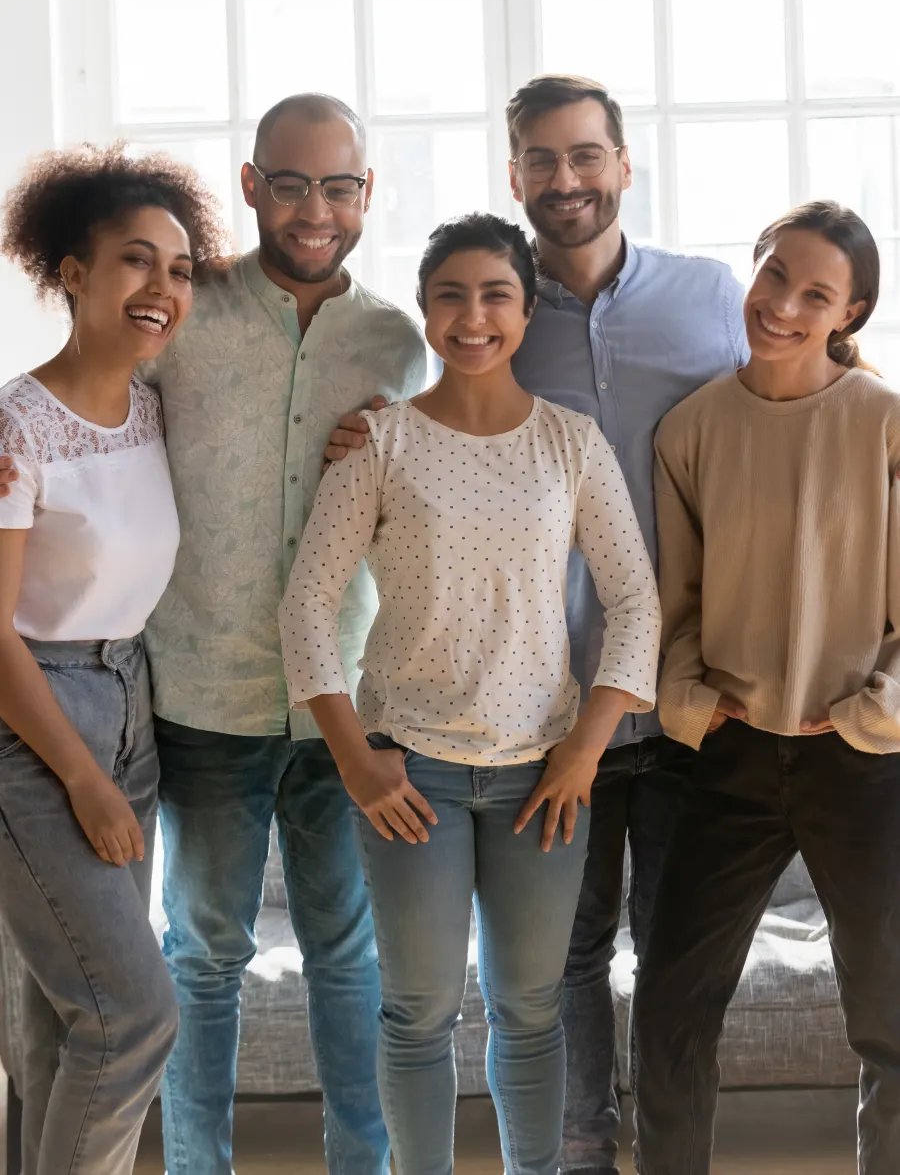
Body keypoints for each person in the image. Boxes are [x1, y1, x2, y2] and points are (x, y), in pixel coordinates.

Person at [324, 74, 748, 1174]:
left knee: (667, 962)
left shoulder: (708, 296)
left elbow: (792, 386)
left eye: (586, 156)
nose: (567, 179)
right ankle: (574, 1158)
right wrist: (362, 432)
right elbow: (429, 446)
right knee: (553, 970)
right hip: (517, 716)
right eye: (542, 161)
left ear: (622, 163)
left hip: (684, 689)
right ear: (514, 175)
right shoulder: (493, 317)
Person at [0, 94, 427, 1175]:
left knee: (345, 955)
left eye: (338, 185)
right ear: (252, 186)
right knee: (196, 962)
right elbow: (66, 402)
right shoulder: (180, 323)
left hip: (338, 698)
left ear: (366, 194)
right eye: (289, 183)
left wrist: (392, 440)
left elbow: (443, 489)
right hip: (195, 697)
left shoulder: (400, 343)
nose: (314, 208)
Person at [280, 211, 661, 1175]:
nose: (473, 315)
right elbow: (305, 609)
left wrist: (584, 750)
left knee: (530, 1009)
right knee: (418, 1011)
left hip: (546, 773)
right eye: (450, 294)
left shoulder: (572, 445)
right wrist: (355, 762)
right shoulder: (378, 441)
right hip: (411, 775)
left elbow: (637, 605)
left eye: (495, 294)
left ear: (526, 312)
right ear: (425, 310)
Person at [632, 201, 900, 1175]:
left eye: (814, 292)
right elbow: (678, 603)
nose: (782, 303)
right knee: (667, 1012)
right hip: (732, 757)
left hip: (864, 763)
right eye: (773, 273)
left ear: (850, 312)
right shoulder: (692, 430)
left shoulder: (885, 425)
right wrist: (695, 703)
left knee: (890, 1017)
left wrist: (872, 713)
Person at [0, 144, 227, 1174]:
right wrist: (83, 776)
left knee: (69, 1018)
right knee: (132, 1017)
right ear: (73, 272)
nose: (162, 288)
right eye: (136, 261)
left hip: (133, 699)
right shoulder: (18, 427)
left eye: (179, 269)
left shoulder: (151, 405)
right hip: (38, 722)